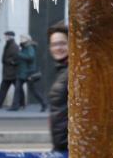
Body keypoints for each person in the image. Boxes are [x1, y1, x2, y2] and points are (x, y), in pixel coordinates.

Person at [8, 34, 47, 112]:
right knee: (17, 89)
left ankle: (44, 104)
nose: (21, 39)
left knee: (33, 91)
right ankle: (15, 106)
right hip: (21, 73)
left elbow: (30, 57)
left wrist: (19, 54)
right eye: (20, 37)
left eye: (22, 38)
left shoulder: (30, 47)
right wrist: (15, 63)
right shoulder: (23, 47)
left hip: (29, 73)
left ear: (27, 39)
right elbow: (23, 61)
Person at [46, 22, 70, 153]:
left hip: (72, 145)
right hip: (62, 144)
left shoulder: (77, 71)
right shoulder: (63, 70)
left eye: (62, 43)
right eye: (54, 44)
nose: (58, 48)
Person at [0, 31, 21, 108]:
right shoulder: (8, 45)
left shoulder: (14, 46)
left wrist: (10, 62)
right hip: (8, 71)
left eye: (6, 36)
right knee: (4, 87)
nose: (4, 37)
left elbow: (16, 58)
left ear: (10, 37)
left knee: (15, 88)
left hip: (12, 71)